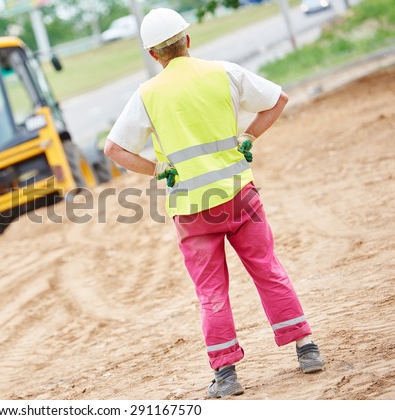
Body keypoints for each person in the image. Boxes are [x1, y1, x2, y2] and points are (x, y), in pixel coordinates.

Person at [104, 8, 324, 398]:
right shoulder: (223, 72)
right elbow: (278, 98)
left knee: (211, 292)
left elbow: (114, 149)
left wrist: (156, 170)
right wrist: (248, 138)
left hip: (191, 208)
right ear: (187, 41)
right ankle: (305, 349)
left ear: (153, 55)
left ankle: (226, 375)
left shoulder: (147, 95)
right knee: (267, 269)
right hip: (241, 196)